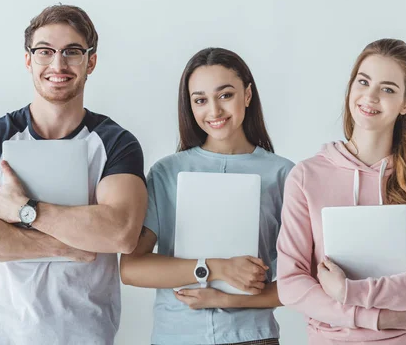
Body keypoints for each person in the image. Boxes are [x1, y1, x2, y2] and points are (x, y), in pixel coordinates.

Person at [0, 4, 148, 345]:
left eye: (72, 52)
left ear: (91, 62)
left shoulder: (116, 143)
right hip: (0, 335)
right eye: (45, 52)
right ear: (28, 60)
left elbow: (121, 234)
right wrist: (63, 246)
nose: (58, 64)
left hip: (86, 334)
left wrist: (26, 211)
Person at [276, 38, 406, 345]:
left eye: (387, 89)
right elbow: (291, 284)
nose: (370, 96)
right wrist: (372, 317)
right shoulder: (306, 176)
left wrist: (351, 291)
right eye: (363, 82)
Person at [120, 47, 294, 345]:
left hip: (251, 337)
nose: (214, 111)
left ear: (247, 95)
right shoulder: (166, 173)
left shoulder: (283, 174)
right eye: (200, 100)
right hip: (175, 336)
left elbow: (303, 282)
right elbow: (132, 268)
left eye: (225, 95)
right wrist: (216, 267)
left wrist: (230, 299)